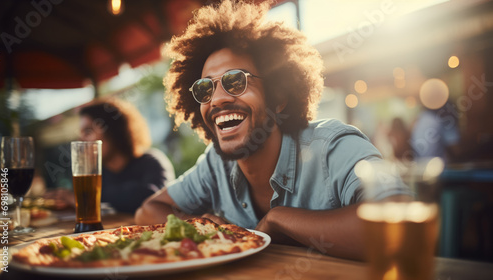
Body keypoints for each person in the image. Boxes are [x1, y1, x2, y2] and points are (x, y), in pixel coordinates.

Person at [135, 0, 411, 260]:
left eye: (235, 81)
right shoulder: (215, 164)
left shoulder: (332, 146)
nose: (216, 99)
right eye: (205, 89)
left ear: (278, 99)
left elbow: (399, 222)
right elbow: (148, 211)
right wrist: (196, 227)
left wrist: (279, 219)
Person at [47, 98, 175, 214]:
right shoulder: (98, 173)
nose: (81, 140)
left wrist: (86, 197)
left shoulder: (152, 161)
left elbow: (152, 196)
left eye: (88, 131)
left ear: (114, 130)